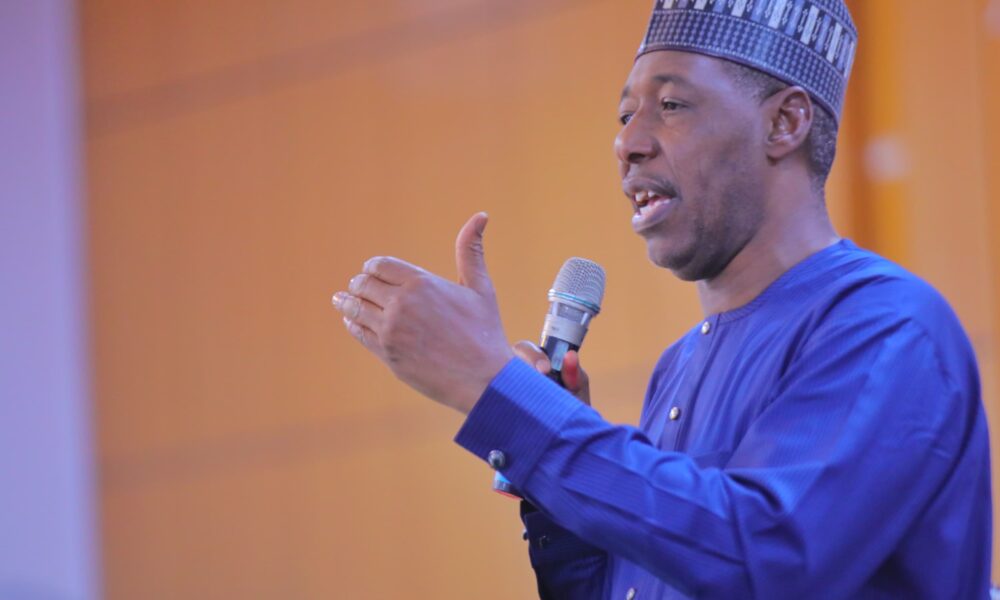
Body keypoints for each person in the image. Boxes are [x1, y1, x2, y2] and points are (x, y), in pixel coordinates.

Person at [331, 0, 992, 597]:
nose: (628, 142)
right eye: (625, 115)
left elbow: (766, 558)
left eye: (671, 105)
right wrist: (552, 481)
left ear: (785, 122)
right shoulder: (680, 365)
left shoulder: (886, 327)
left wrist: (496, 392)